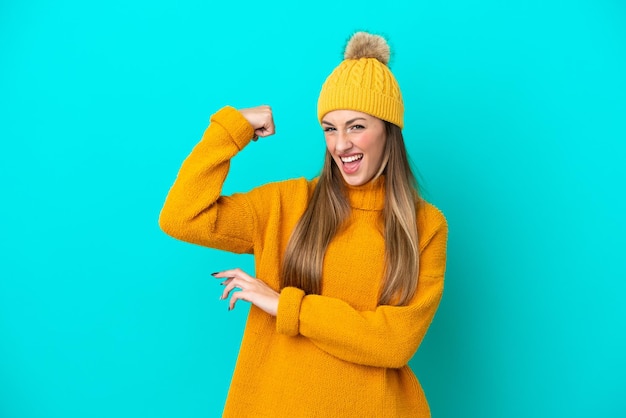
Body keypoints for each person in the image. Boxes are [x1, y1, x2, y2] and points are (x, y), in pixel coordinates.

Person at [159, 31, 448, 418]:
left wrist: (285, 305)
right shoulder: (287, 204)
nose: (340, 144)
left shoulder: (425, 225)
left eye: (356, 126)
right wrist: (232, 129)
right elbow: (182, 216)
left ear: (388, 130)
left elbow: (395, 343)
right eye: (330, 128)